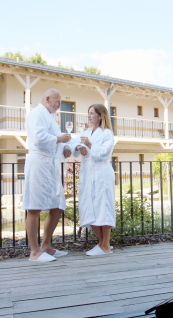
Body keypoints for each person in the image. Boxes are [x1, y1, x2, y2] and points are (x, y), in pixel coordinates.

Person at [23, 88, 72, 262]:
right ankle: (34, 251)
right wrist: (60, 140)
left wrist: (64, 148)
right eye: (57, 102)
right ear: (48, 98)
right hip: (38, 163)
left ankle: (46, 245)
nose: (59, 106)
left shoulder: (50, 117)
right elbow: (38, 137)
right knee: (34, 206)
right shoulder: (36, 114)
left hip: (51, 164)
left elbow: (55, 139)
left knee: (58, 205)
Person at [69, 104, 116, 256]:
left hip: (102, 173)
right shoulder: (87, 131)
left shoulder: (107, 133)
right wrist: (79, 147)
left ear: (100, 116)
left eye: (91, 114)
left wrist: (89, 144)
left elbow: (103, 153)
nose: (88, 116)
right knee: (89, 206)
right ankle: (102, 244)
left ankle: (106, 245)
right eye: (88, 113)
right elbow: (73, 143)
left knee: (104, 206)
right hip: (88, 173)